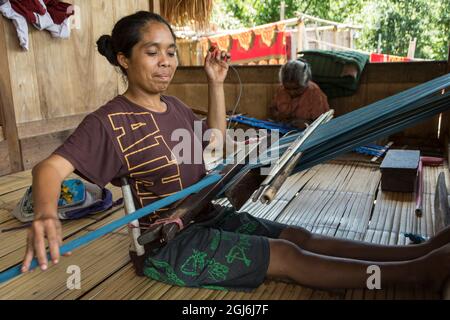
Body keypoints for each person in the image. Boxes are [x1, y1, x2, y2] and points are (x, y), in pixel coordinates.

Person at [21, 11, 450, 293]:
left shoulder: (172, 106)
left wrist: (215, 82)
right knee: (287, 256)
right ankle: (417, 272)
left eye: (170, 52)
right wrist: (44, 213)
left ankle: (417, 252)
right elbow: (49, 168)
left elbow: (214, 141)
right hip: (167, 242)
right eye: (152, 53)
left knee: (296, 236)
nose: (166, 63)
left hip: (203, 211)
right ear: (123, 59)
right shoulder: (108, 122)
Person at [270, 59, 330, 129]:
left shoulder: (314, 92)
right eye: (287, 88)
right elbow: (273, 109)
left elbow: (324, 122)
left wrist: (307, 124)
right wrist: (278, 115)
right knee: (262, 136)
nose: (292, 92)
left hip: (306, 134)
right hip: (283, 129)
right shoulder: (281, 89)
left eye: (296, 89)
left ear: (306, 82)